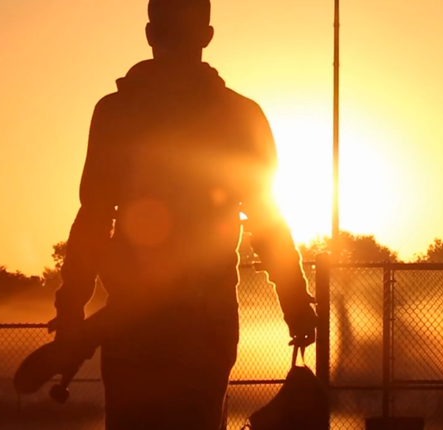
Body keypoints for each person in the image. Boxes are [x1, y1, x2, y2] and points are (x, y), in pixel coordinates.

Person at [53, 0, 318, 428]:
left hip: (132, 320)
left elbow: (94, 217)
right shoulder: (240, 115)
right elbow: (267, 219)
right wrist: (294, 301)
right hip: (205, 317)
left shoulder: (116, 112)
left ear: (150, 34)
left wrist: (71, 307)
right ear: (207, 37)